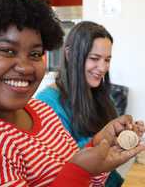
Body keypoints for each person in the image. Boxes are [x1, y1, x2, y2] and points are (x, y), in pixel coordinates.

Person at [0, 0, 144, 186]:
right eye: (7, 50)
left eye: (34, 54)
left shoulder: (41, 111)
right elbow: (76, 172)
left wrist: (99, 145)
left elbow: (73, 170)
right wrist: (81, 171)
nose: (24, 67)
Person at [36, 21, 144, 186]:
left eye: (107, 60)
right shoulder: (47, 103)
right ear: (70, 54)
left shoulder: (101, 94)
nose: (102, 68)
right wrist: (106, 140)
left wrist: (125, 133)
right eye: (94, 58)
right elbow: (60, 164)